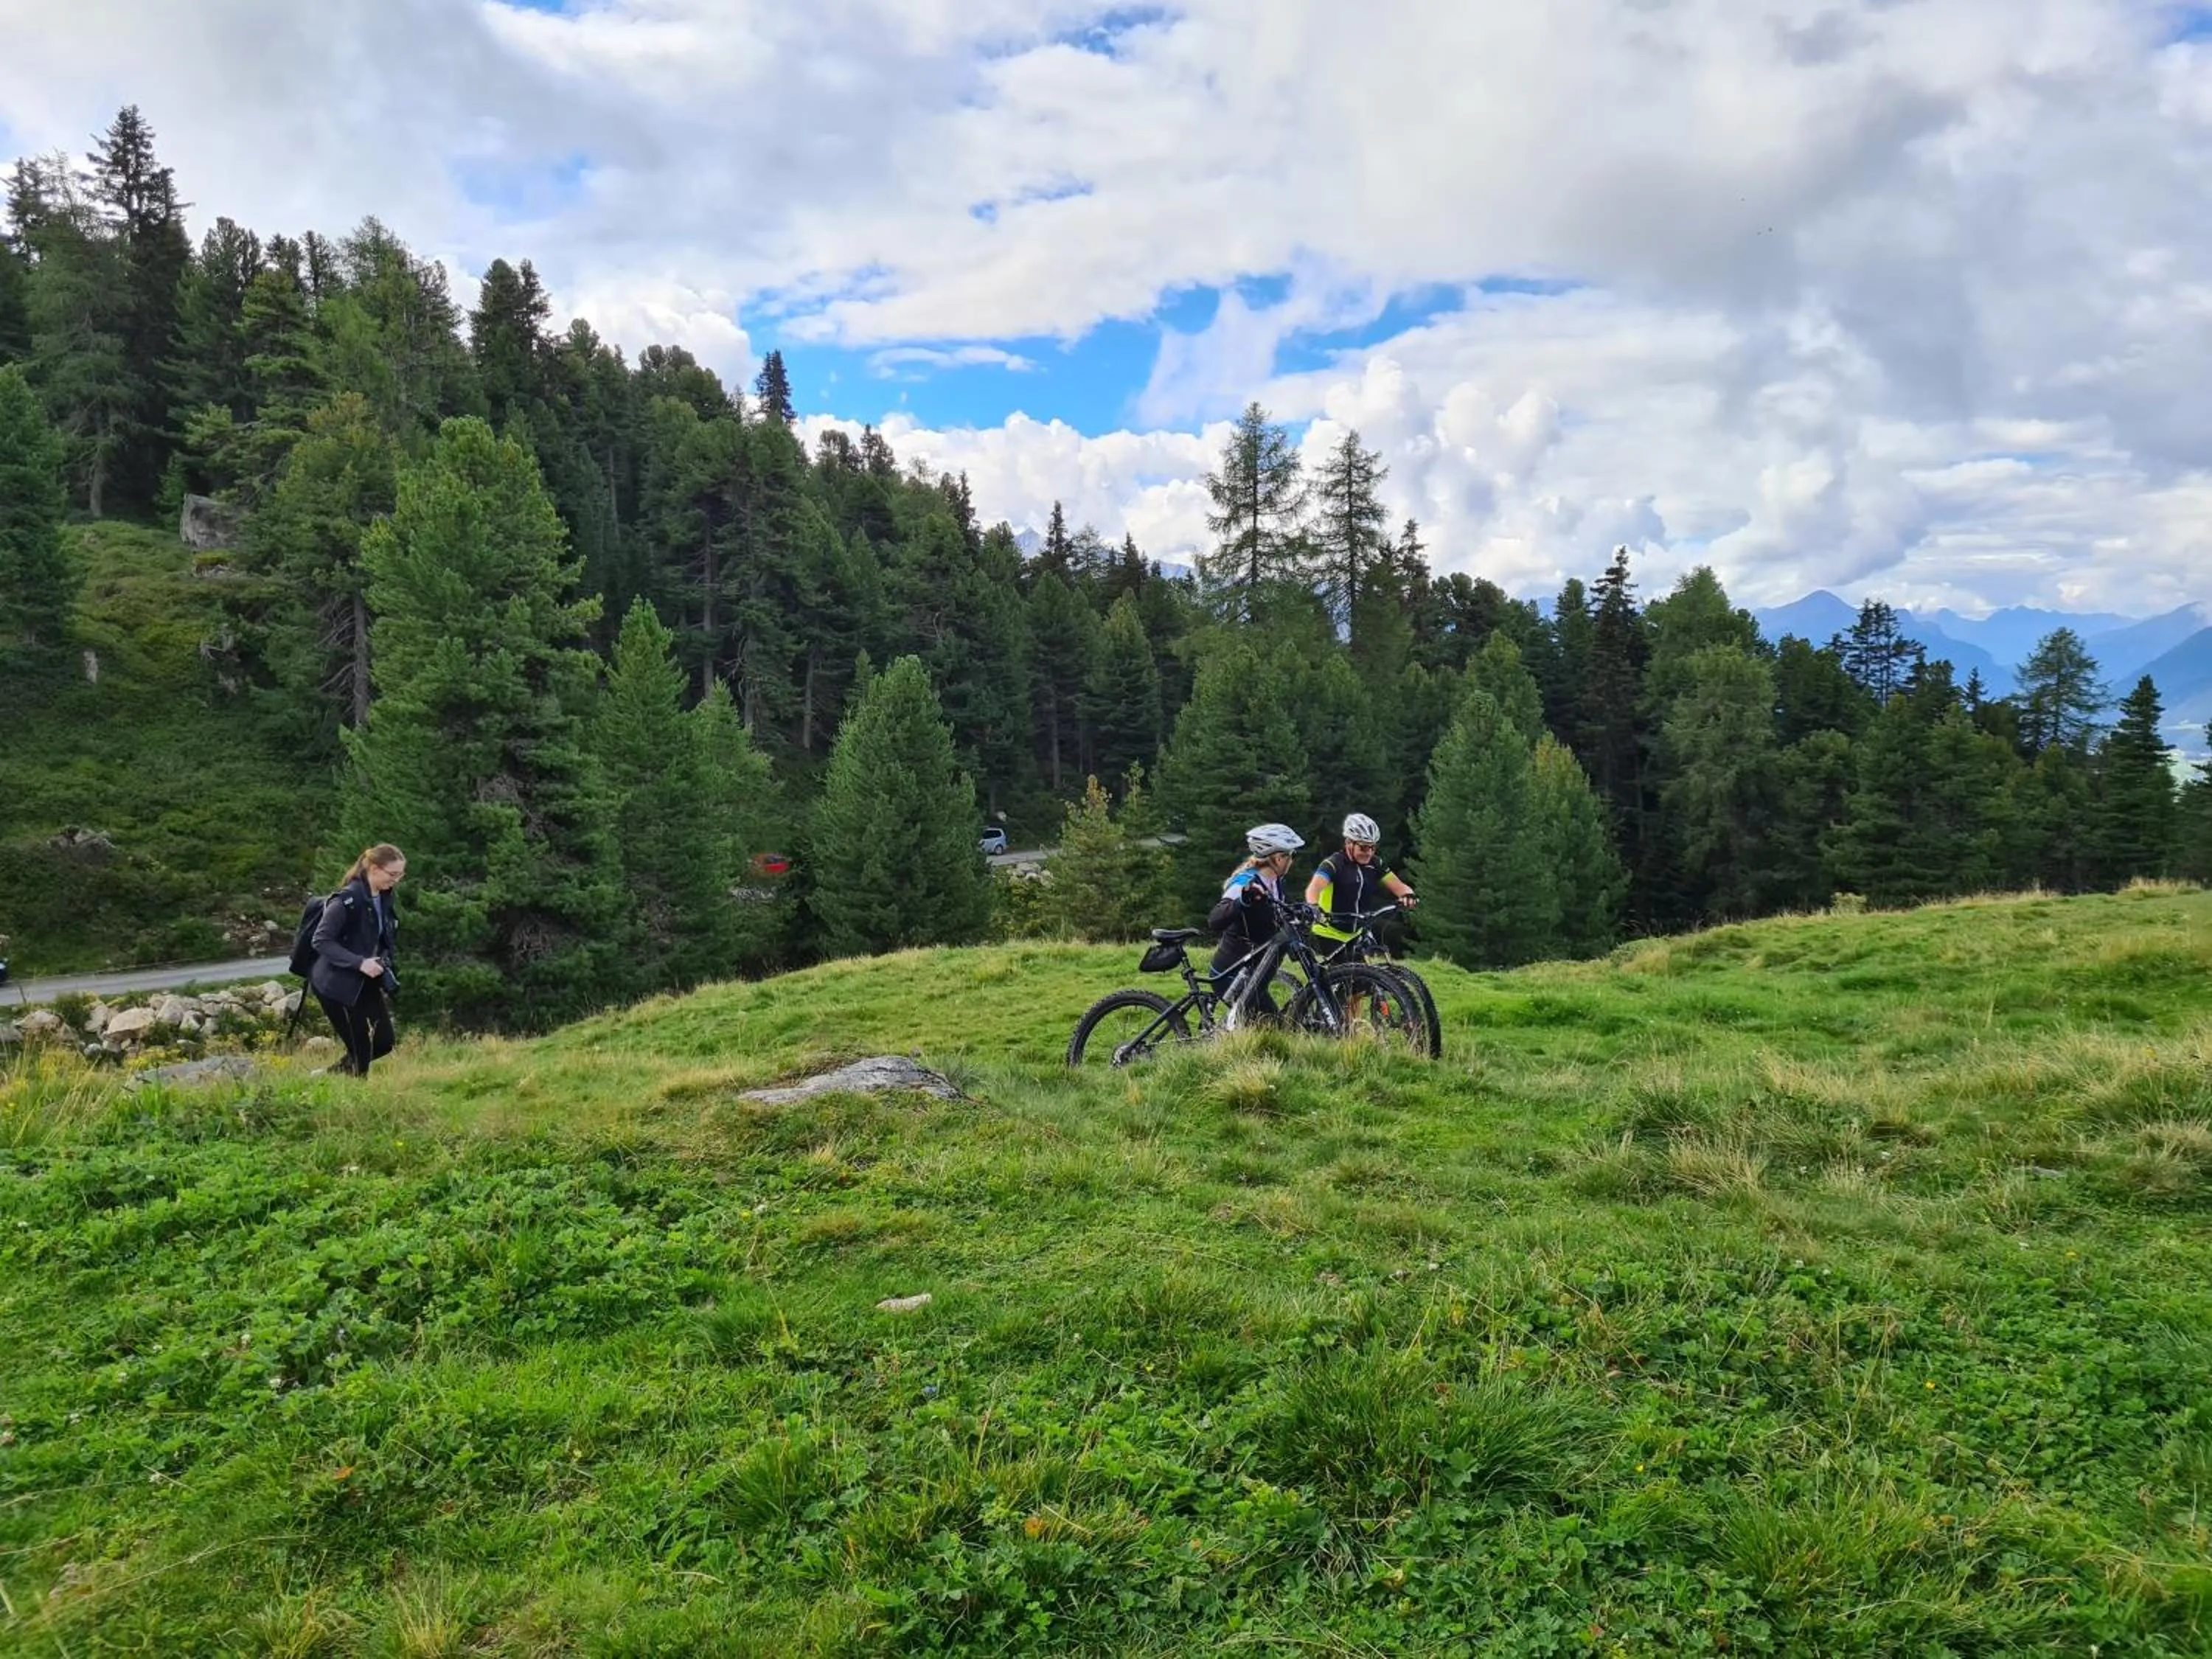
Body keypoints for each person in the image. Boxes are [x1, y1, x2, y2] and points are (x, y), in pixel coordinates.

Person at [310, 844, 404, 1077]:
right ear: (374, 869)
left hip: (365, 982)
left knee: (384, 1042)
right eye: (393, 874)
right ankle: (355, 1100)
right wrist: (360, 963)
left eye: (401, 875)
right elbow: (321, 940)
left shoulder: (384, 898)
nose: (396, 880)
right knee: (361, 1048)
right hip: (336, 985)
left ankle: (329, 1075)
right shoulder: (346, 900)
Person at [1207, 822, 1305, 1020]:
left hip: (1253, 970)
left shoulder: (1275, 882)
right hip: (1232, 971)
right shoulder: (1246, 882)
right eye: (1292, 855)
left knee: (1267, 1023)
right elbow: (1215, 920)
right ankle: (1222, 1046)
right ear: (1278, 858)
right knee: (1270, 1024)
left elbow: (1277, 913)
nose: (1292, 861)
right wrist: (1243, 900)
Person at [1304, 813, 1416, 949]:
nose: (1369, 853)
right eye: (1363, 847)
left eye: (1373, 847)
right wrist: (1314, 907)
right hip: (1327, 935)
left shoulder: (1375, 864)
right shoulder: (1333, 864)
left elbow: (1399, 887)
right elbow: (1314, 889)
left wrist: (1408, 895)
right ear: (1348, 843)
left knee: (1367, 970)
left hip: (1356, 936)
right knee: (1344, 971)